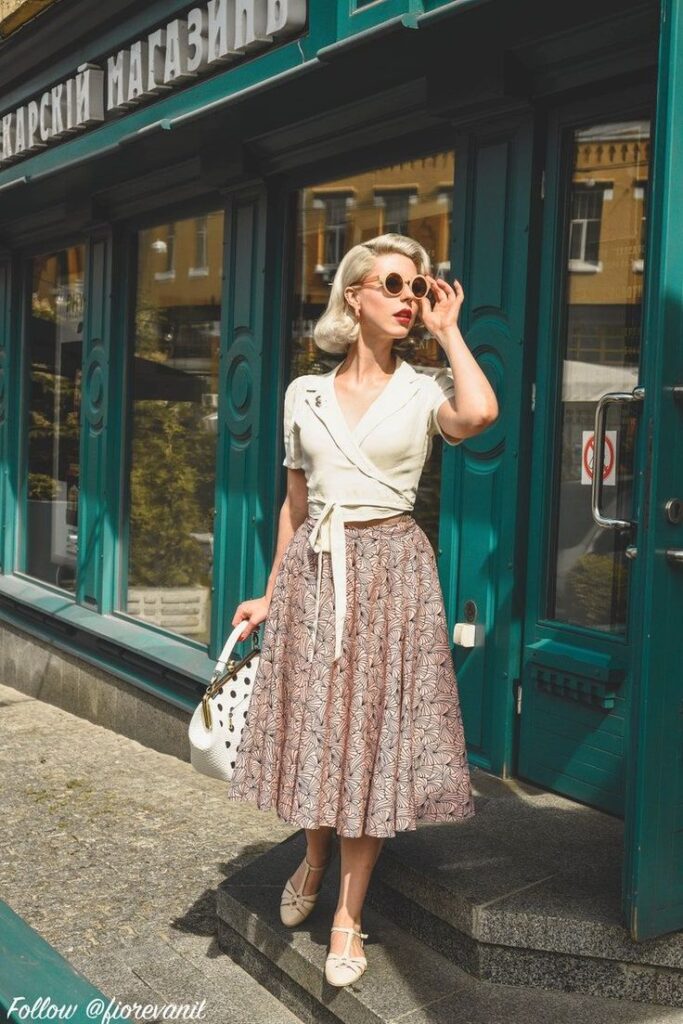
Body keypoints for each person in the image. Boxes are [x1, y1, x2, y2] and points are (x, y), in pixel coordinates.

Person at [228, 232, 499, 987]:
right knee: (323, 729)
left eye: (417, 287)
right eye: (392, 284)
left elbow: (479, 414)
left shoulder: (423, 390)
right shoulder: (301, 393)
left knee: (372, 740)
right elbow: (292, 507)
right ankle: (312, 859)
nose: (408, 297)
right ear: (354, 297)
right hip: (317, 571)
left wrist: (448, 332)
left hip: (393, 574)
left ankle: (347, 915)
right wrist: (269, 590)